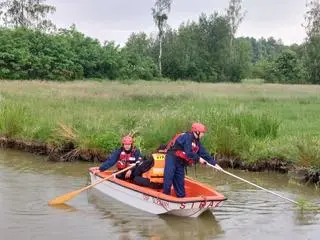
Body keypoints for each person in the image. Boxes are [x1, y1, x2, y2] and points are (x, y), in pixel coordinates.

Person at [162, 122, 223, 198]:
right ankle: (165, 197)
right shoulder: (187, 137)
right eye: (202, 133)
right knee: (168, 179)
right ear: (197, 132)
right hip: (172, 158)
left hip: (180, 162)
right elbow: (189, 152)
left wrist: (216, 165)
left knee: (180, 183)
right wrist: (199, 159)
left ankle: (181, 199)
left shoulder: (197, 142)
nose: (203, 134)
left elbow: (204, 154)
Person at [92, 135, 161, 188]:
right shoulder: (119, 151)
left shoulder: (136, 152)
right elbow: (111, 161)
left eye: (129, 145)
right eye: (126, 145)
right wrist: (100, 169)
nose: (127, 146)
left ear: (131, 145)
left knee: (137, 177)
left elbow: (140, 162)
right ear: (123, 144)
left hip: (133, 172)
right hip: (122, 172)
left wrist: (131, 170)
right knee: (117, 175)